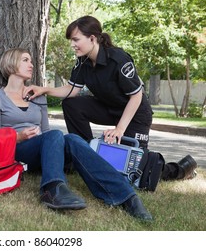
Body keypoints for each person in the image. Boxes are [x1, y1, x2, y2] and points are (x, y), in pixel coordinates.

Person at [24, 15, 197, 181]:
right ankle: (84, 154)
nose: (72, 45)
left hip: (135, 113)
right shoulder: (82, 62)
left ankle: (180, 170)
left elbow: (136, 97)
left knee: (132, 169)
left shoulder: (118, 59)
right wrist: (44, 89)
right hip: (108, 108)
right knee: (71, 104)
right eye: (71, 40)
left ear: (92, 38)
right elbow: (71, 90)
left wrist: (120, 130)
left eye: (76, 40)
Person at [0, 48, 153, 221]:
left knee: (72, 139)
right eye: (25, 60)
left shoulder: (37, 95)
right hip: (19, 150)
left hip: (45, 149)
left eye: (31, 61)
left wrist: (53, 145)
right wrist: (18, 137)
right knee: (55, 135)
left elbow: (46, 132)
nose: (31, 64)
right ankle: (53, 188)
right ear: (10, 63)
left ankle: (127, 197)